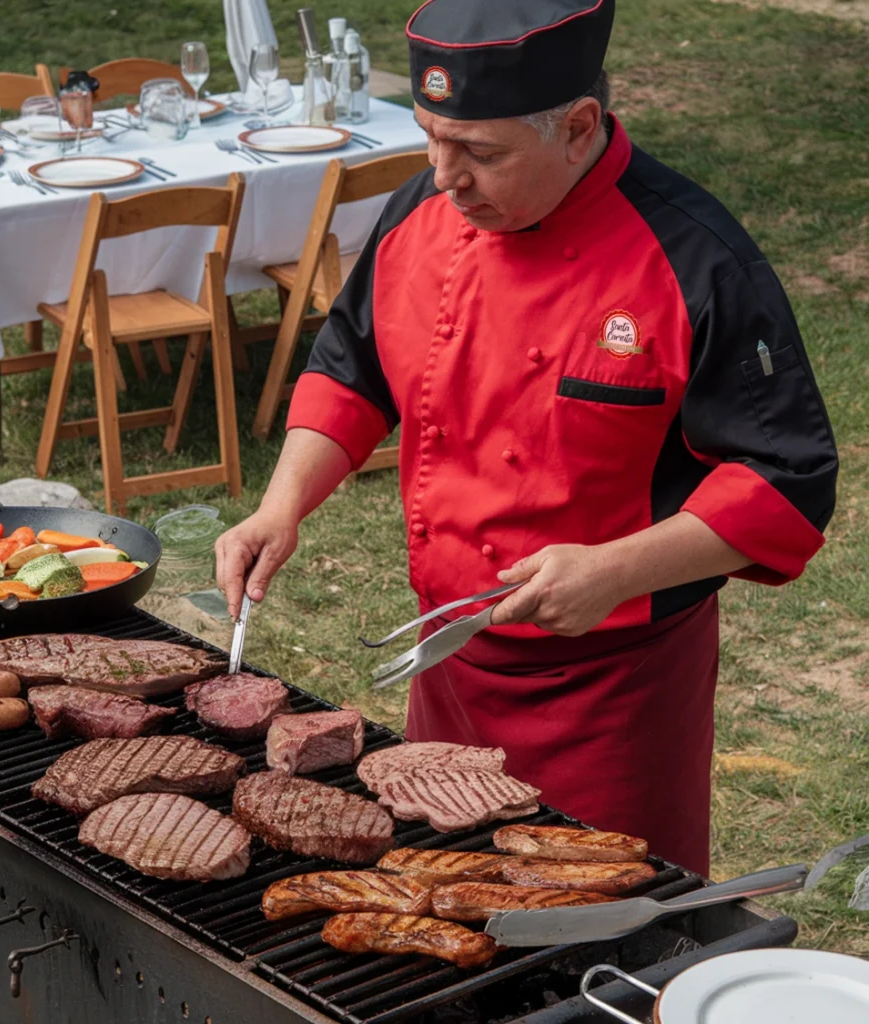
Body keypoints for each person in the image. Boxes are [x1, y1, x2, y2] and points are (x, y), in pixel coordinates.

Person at [215, 0, 838, 873]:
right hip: (447, 665)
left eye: (480, 152)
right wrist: (280, 508)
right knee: (448, 895)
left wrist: (614, 569)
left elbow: (788, 481)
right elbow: (352, 367)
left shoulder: (694, 259)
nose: (443, 177)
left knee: (600, 931)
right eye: (431, 137)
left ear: (578, 126)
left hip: (613, 696)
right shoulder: (416, 217)